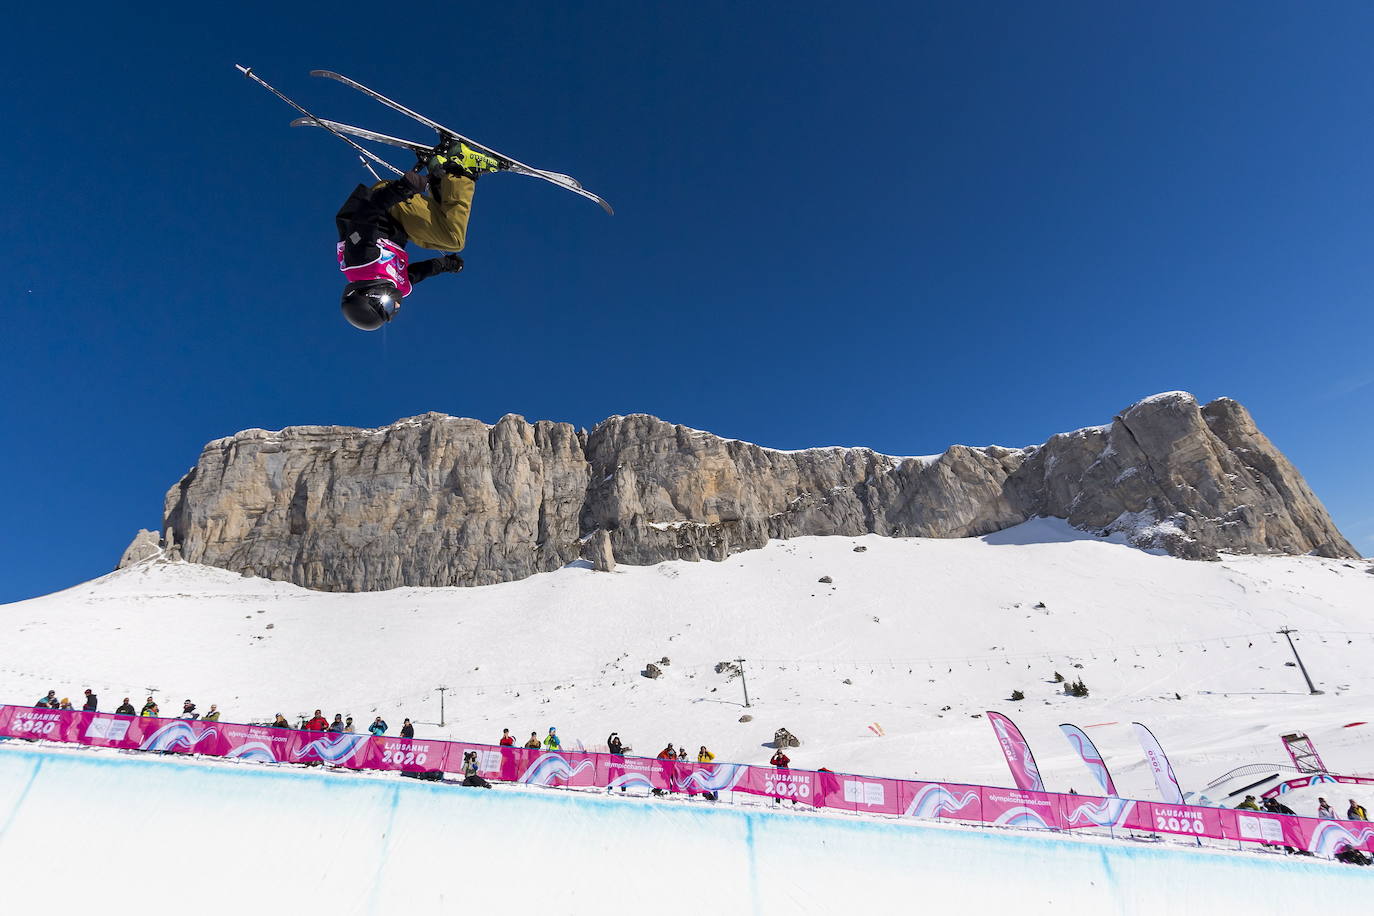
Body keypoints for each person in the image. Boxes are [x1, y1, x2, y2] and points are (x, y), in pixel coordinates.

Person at [335, 142, 503, 331]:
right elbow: (417, 273)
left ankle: (462, 169)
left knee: (453, 239)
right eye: (393, 312)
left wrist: (401, 189)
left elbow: (365, 216)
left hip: (385, 202)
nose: (396, 305)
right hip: (401, 220)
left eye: (389, 305)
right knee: (436, 236)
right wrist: (447, 265)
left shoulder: (360, 261)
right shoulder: (396, 285)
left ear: (371, 295)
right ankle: (439, 169)